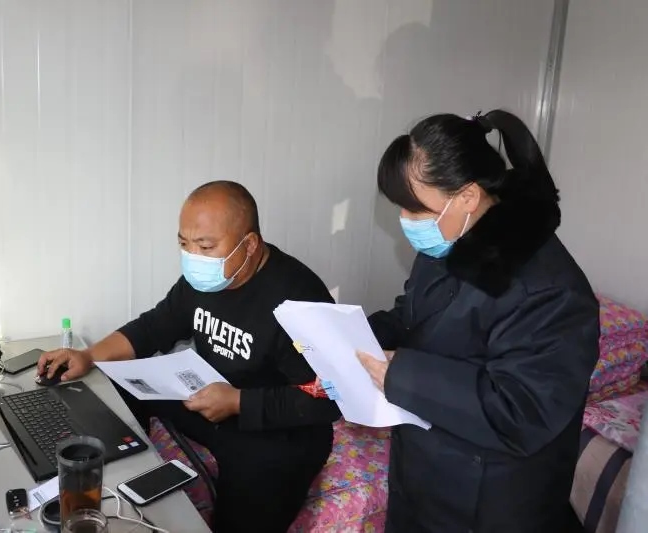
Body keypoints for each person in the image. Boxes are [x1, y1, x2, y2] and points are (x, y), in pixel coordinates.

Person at [38, 180, 340, 533]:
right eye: (184, 244)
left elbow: (327, 397)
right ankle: (111, 480)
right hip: (211, 396)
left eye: (206, 246)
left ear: (250, 244)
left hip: (276, 429)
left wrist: (239, 402)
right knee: (116, 386)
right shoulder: (206, 280)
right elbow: (154, 327)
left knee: (244, 506)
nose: (194, 257)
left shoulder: (299, 300)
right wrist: (89, 356)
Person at [358, 110, 599, 533]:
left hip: (487, 501)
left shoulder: (549, 290)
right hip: (426, 472)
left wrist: (402, 375)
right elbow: (414, 313)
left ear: (468, 197)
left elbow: (521, 411)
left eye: (416, 209)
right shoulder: (450, 240)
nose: (407, 222)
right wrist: (359, 334)